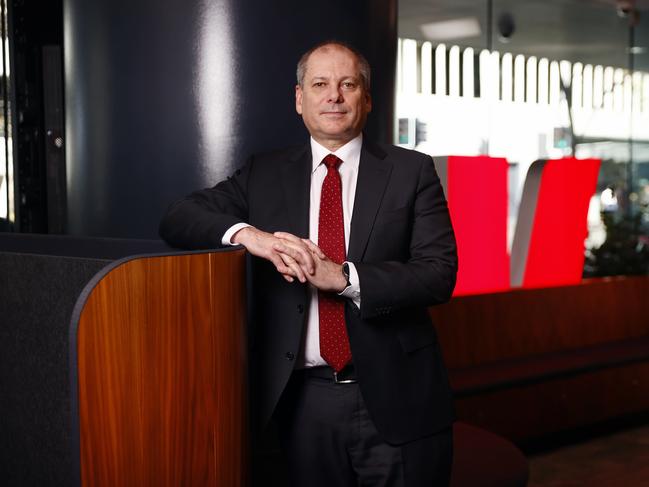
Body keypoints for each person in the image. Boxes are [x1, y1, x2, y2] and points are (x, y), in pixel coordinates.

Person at [159, 40, 458, 486]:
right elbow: (179, 216)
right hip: (300, 404)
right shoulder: (264, 172)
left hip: (397, 397)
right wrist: (250, 236)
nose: (333, 95)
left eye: (347, 84)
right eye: (319, 84)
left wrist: (343, 278)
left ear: (367, 98)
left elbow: (439, 273)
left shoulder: (412, 171)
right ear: (300, 99)